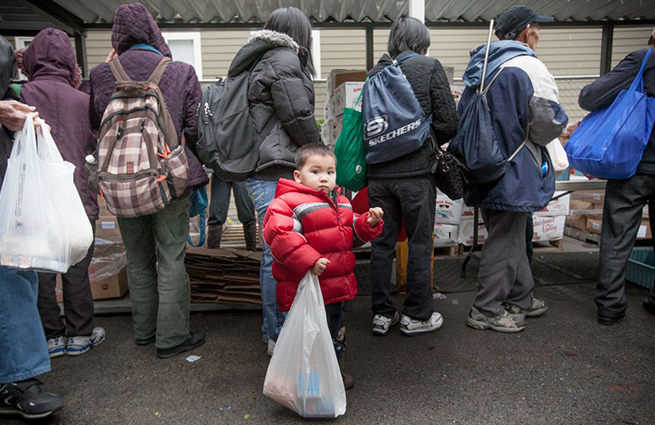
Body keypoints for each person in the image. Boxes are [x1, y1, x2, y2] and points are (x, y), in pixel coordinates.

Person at [88, 3, 209, 358]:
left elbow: (97, 125)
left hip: (120, 184)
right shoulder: (180, 71)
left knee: (138, 259)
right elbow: (194, 127)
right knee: (171, 257)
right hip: (166, 180)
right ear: (155, 32)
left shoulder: (100, 73)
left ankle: (145, 331)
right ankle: (171, 339)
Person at [460, 5, 568, 333]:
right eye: (536, 29)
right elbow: (547, 122)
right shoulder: (528, 66)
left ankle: (521, 296)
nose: (538, 35)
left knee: (510, 235)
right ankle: (486, 309)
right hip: (514, 166)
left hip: (482, 164)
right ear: (524, 32)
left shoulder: (481, 65)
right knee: (506, 238)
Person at [228, 7, 321, 354]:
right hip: (275, 170)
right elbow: (297, 115)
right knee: (279, 256)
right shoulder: (283, 59)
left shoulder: (257, 60)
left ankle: (277, 329)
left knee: (276, 253)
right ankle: (279, 334)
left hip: (263, 169)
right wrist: (322, 155)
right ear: (299, 32)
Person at [263, 144, 384, 389]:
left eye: (330, 172)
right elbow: (280, 236)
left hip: (335, 287)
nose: (323, 178)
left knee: (333, 333)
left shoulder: (341, 202)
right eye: (316, 171)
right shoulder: (287, 202)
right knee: (307, 337)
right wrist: (310, 260)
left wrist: (367, 223)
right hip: (304, 290)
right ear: (298, 175)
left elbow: (350, 235)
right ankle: (308, 384)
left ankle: (332, 373)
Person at [367, 16, 458, 337]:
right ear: (423, 42)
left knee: (381, 244)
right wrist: (421, 136)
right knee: (419, 243)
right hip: (416, 174)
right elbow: (449, 122)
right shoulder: (430, 67)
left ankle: (381, 314)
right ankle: (417, 315)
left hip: (378, 174)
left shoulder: (375, 75)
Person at [18, 28, 105, 358]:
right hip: (76, 194)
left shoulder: (19, 95)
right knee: (77, 265)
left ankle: (51, 335)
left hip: (33, 198)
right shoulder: (83, 100)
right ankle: (81, 333)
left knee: (40, 267)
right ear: (70, 60)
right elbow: (94, 141)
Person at [0, 35, 64, 420]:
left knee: (15, 277)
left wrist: (26, 128)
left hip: (9, 201)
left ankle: (20, 378)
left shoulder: (15, 87)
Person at [578, 26, 655, 325]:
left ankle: (610, 306)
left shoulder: (644, 59)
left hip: (635, 164)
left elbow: (589, 97)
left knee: (618, 235)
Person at [207, 176, 257, 250]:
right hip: (221, 171)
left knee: (247, 214)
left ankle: (252, 250)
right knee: (216, 215)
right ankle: (212, 253)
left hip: (242, 171)